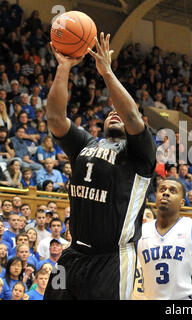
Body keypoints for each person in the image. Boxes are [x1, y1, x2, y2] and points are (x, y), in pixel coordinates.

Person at [43, 33, 156, 300]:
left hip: (112, 261)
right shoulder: (85, 143)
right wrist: (64, 67)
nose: (114, 112)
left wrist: (106, 72)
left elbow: (130, 114)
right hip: (72, 256)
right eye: (109, 111)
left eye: (120, 111)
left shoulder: (140, 153)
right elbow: (55, 117)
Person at [136, 177, 192, 300]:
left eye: (172, 191)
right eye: (162, 189)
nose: (165, 192)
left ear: (182, 203)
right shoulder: (141, 231)